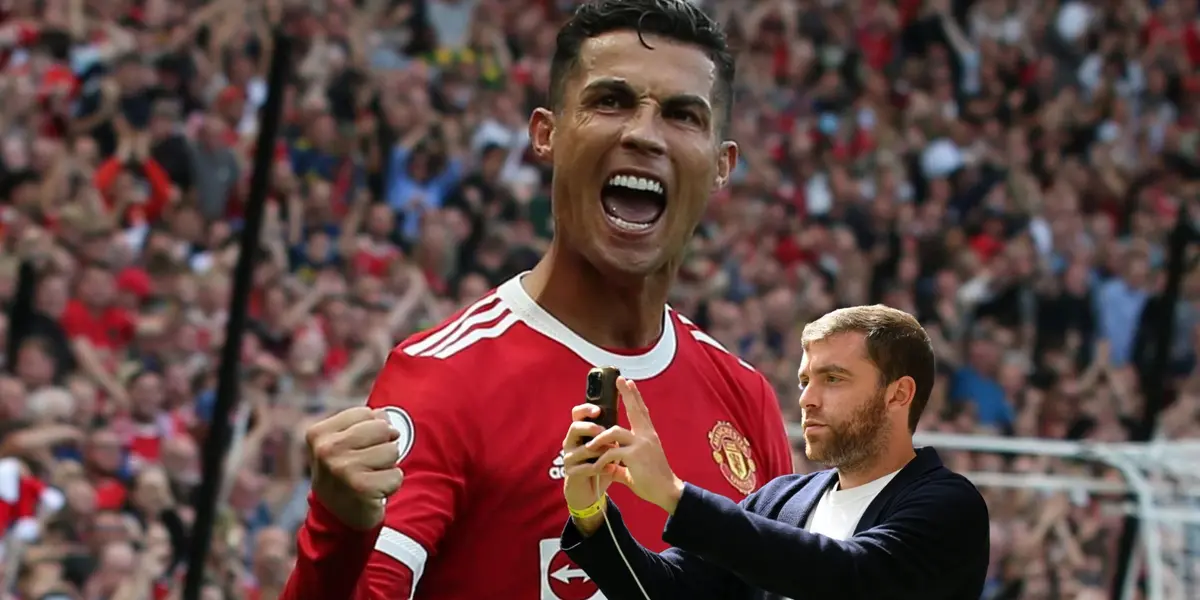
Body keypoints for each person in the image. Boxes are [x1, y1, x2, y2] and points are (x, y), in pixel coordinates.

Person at [281, 1, 794, 598]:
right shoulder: (447, 378)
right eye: (611, 101)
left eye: (683, 115)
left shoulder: (746, 399)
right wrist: (338, 534)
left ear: (720, 165)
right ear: (546, 135)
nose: (643, 134)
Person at [559, 305, 990, 600]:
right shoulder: (779, 500)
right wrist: (591, 516)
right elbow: (664, 590)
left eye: (833, 379)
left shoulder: (950, 506)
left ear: (899, 394)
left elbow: (846, 578)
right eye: (805, 381)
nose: (807, 399)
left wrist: (675, 494)